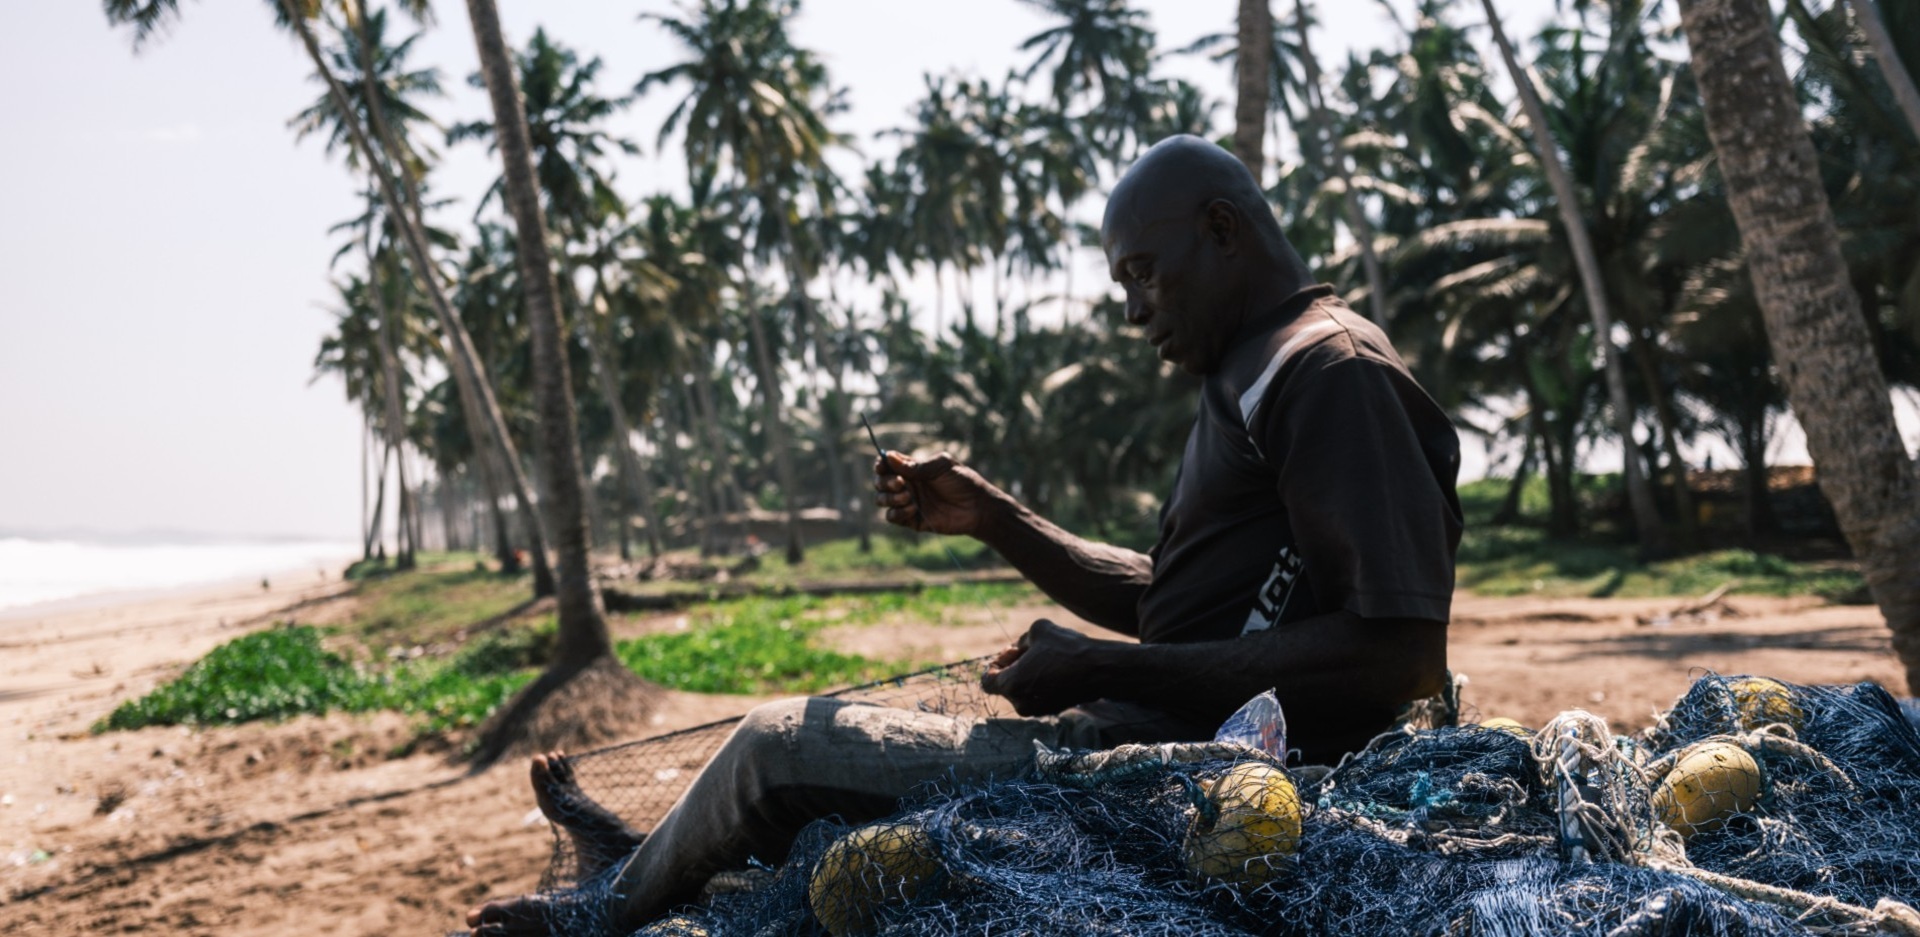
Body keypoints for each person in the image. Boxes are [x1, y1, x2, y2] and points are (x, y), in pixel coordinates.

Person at [464, 134, 1461, 936]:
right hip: (1142, 738)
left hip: (1164, 772)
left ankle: (597, 915)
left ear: (1221, 230)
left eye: (1144, 275)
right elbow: (1181, 602)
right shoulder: (1250, 374)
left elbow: (1399, 656)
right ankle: (642, 865)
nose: (1131, 310)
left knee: (775, 747)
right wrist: (998, 519)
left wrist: (1106, 671)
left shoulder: (1326, 372)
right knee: (799, 789)